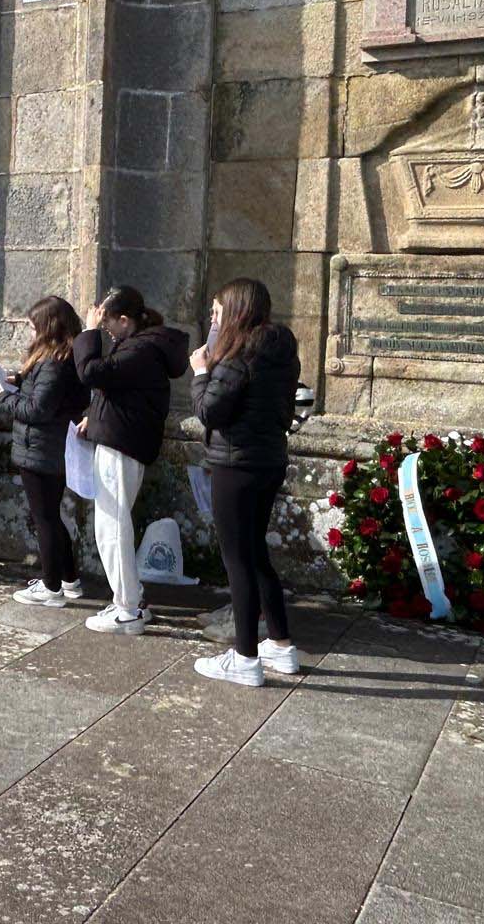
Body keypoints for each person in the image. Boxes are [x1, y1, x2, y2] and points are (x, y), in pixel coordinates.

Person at [190, 278, 302, 688]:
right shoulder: (280, 352)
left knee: (237, 560)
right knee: (255, 555)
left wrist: (200, 372)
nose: (212, 319)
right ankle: (281, 644)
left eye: (217, 311)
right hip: (268, 461)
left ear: (236, 311)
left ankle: (245, 658)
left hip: (236, 465)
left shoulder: (238, 357)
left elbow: (209, 412)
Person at [73, 285, 188, 636]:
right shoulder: (140, 345)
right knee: (113, 522)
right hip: (122, 440)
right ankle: (131, 598)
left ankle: (128, 608)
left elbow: (91, 372)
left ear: (125, 320)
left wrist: (88, 331)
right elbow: (118, 390)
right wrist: (95, 419)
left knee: (112, 525)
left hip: (122, 446)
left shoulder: (140, 349)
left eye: (108, 322)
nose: (105, 329)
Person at [5, 296, 91, 607]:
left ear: (48, 328)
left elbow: (38, 409)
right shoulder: (63, 357)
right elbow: (44, 392)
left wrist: (5, 397)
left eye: (33, 328)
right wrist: (19, 380)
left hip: (42, 448)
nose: (30, 333)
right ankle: (69, 579)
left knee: (45, 519)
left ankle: (51, 586)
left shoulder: (55, 362)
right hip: (49, 447)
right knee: (52, 516)